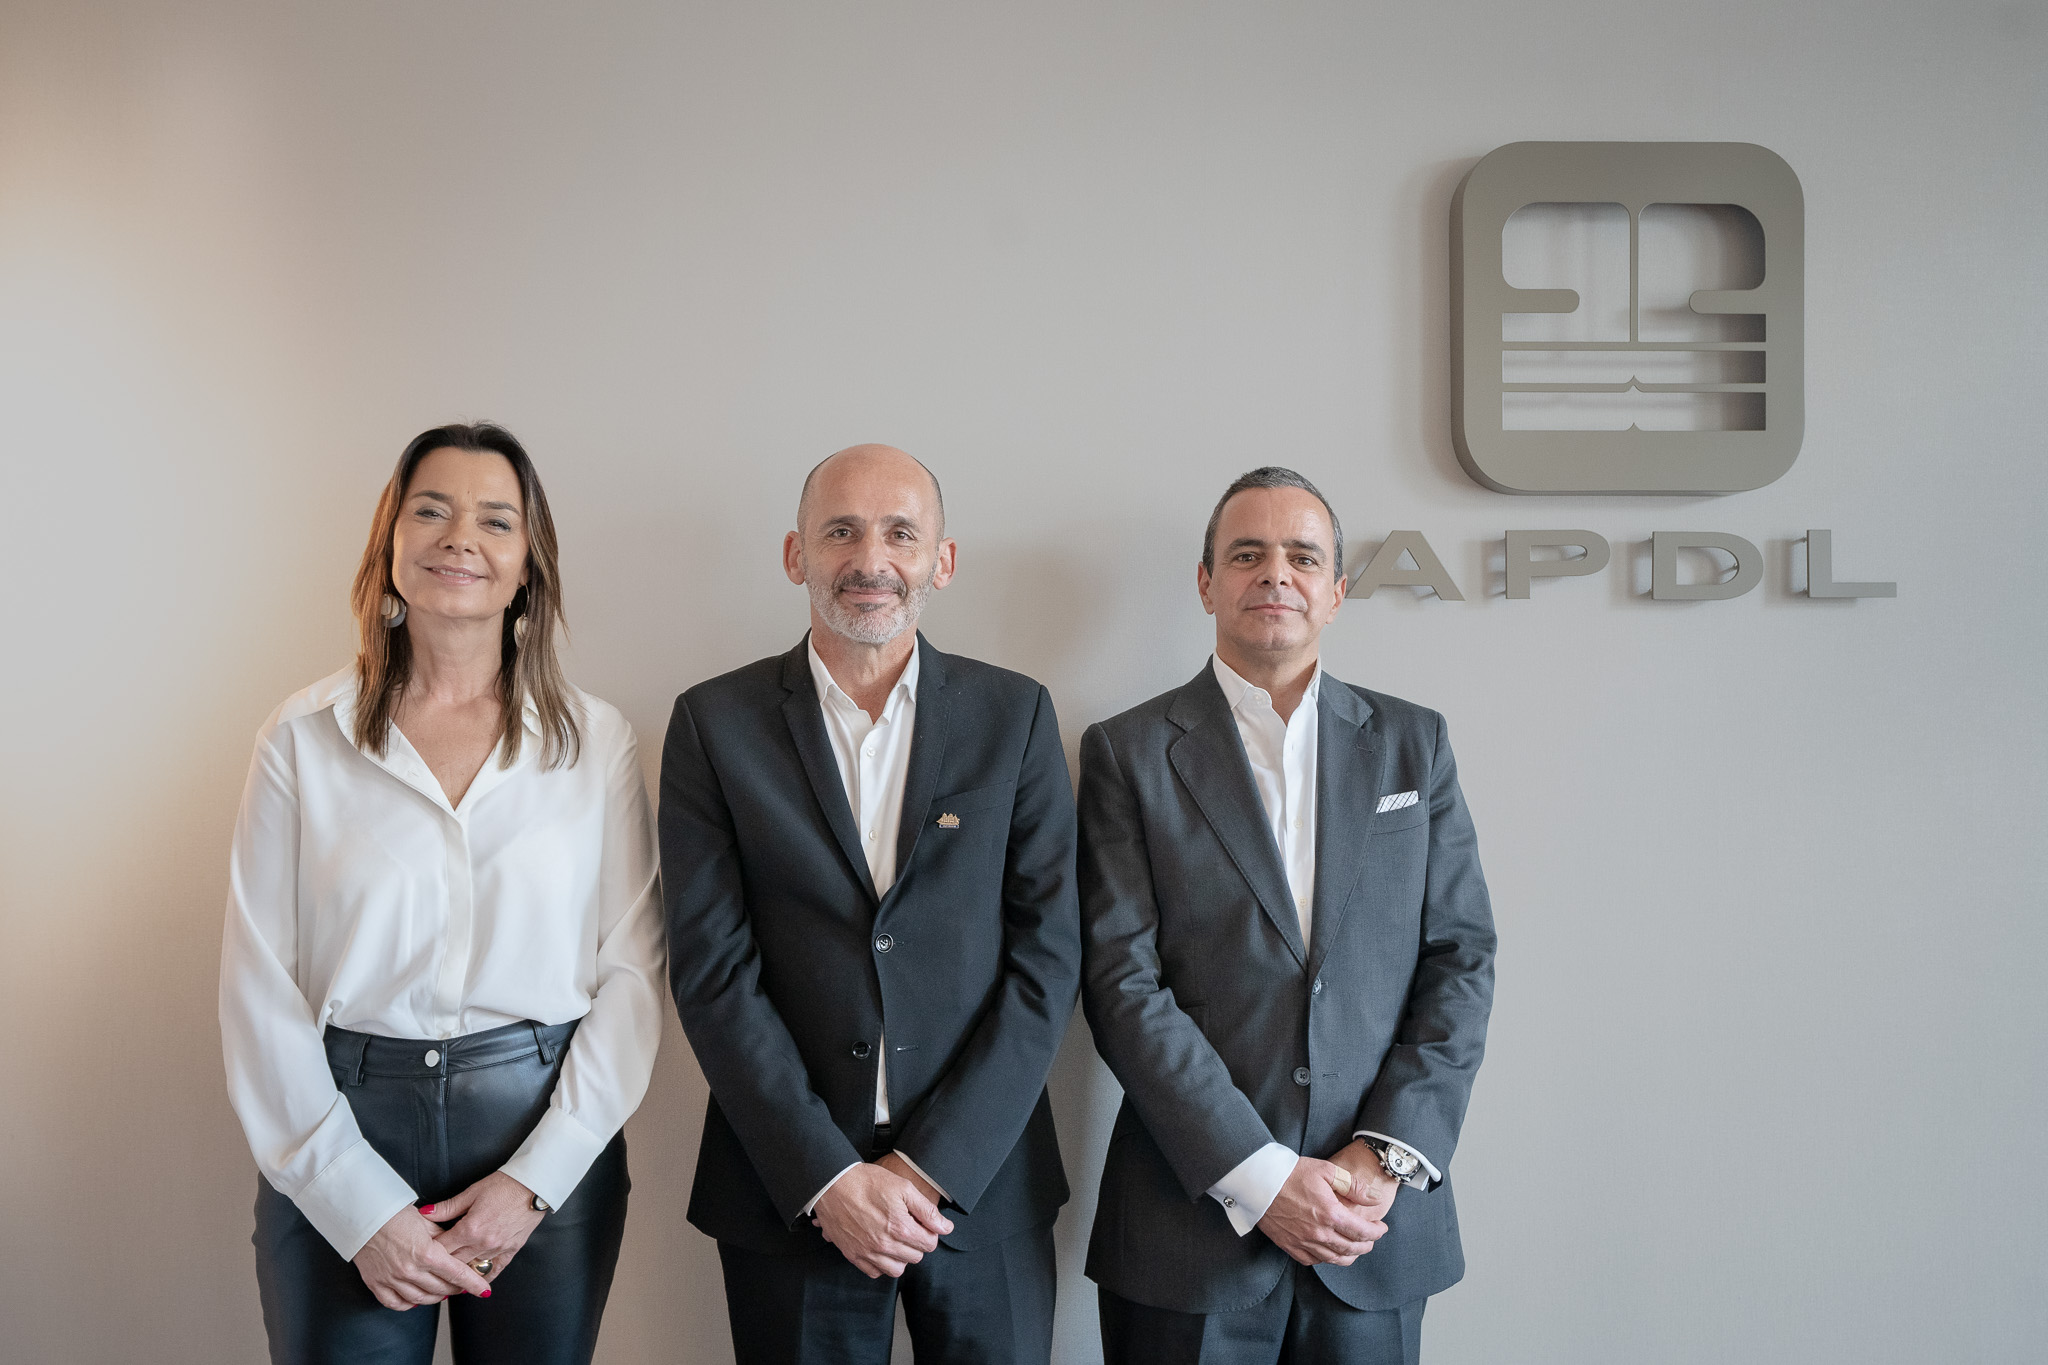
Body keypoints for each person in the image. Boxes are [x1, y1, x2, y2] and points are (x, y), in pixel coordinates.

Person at [219, 423, 666, 1365]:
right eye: (431, 510)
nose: (460, 537)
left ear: (527, 567)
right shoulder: (301, 738)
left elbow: (632, 975)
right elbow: (258, 986)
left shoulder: (597, 743)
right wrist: (356, 1204)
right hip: (342, 1129)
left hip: (542, 1136)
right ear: (390, 543)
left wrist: (534, 1182)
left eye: (495, 520)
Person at [661, 444, 1080, 1365]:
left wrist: (934, 1166)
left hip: (983, 1186)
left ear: (943, 560)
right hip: (792, 1190)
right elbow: (712, 973)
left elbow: (1048, 959)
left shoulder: (1015, 716)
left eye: (900, 534)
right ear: (795, 554)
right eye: (841, 532)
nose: (870, 560)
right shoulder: (712, 723)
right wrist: (827, 1174)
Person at [1078, 467, 1496, 1365]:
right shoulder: (1127, 752)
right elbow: (1121, 983)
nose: (1276, 573)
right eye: (1247, 554)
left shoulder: (1414, 743)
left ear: (1336, 592)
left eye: (1303, 557)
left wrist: (1384, 1154)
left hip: (1370, 1225)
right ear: (1206, 583)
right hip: (1190, 1232)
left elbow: (1460, 958)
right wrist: (1262, 1177)